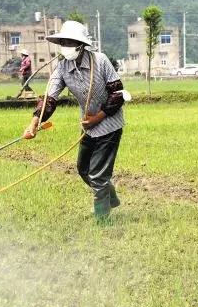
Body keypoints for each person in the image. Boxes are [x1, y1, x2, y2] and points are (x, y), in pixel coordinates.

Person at [23, 20, 126, 217]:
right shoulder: (62, 68)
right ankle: (109, 198)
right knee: (84, 169)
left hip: (109, 124)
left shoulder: (100, 60)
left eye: (70, 42)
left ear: (81, 44)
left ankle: (102, 219)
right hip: (88, 126)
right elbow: (49, 99)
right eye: (63, 42)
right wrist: (34, 123)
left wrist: (98, 117)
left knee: (98, 174)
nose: (66, 47)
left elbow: (118, 94)